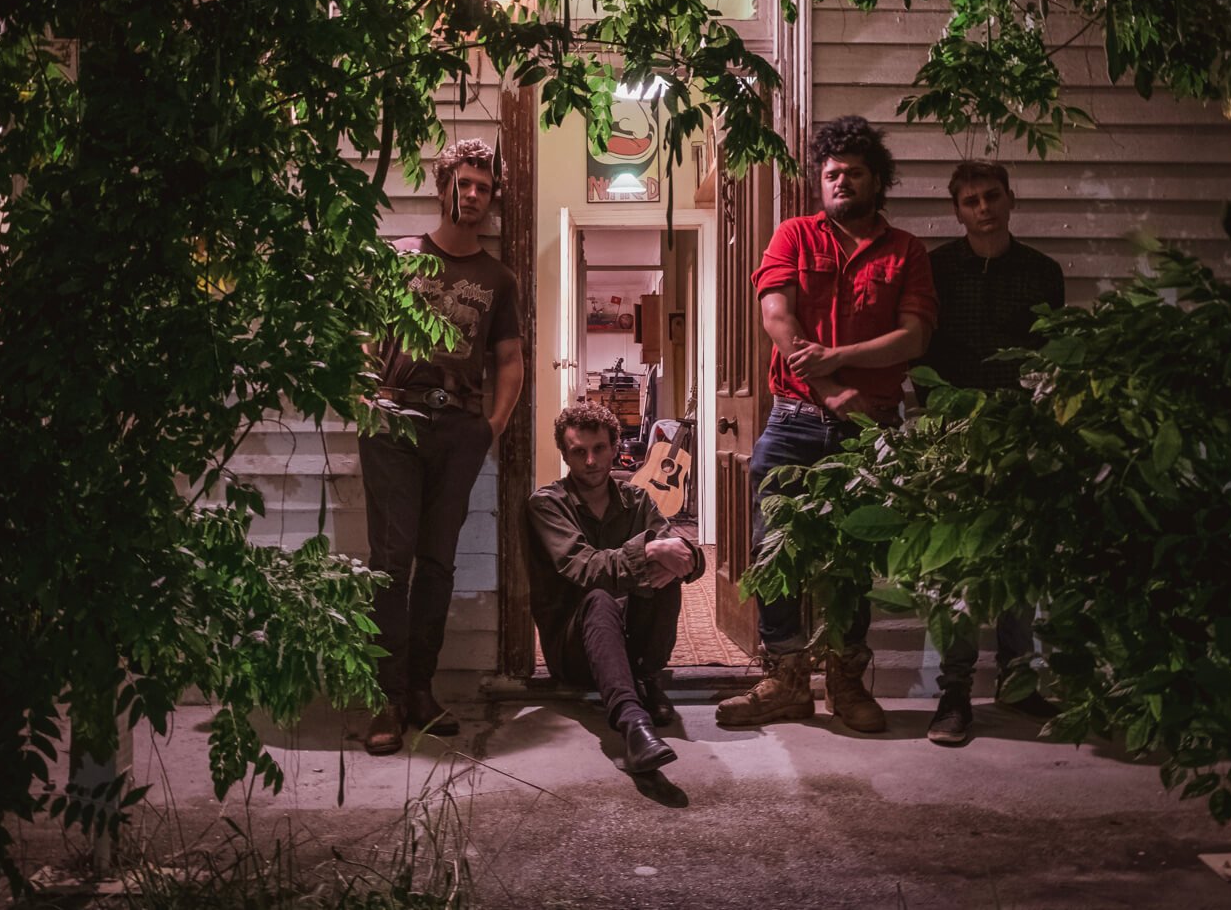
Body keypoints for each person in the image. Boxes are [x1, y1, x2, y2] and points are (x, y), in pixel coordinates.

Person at [715, 115, 937, 732]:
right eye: (832, 173)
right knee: (772, 547)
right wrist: (831, 388)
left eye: (854, 173)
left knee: (852, 555)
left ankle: (845, 680)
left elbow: (914, 336)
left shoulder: (906, 251)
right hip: (791, 420)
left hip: (871, 428)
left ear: (876, 180)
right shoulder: (793, 235)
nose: (841, 182)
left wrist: (839, 359)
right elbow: (777, 319)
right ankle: (784, 680)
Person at [357, 139, 524, 755]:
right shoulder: (401, 259)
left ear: (492, 197)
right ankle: (384, 697)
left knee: (436, 564)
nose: (473, 194)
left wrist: (492, 427)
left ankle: (420, 691)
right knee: (389, 561)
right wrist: (365, 396)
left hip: (457, 428)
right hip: (393, 422)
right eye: (464, 182)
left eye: (484, 185)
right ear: (442, 186)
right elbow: (364, 336)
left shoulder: (498, 279)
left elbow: (511, 360)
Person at [917, 160, 1064, 746]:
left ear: (1010, 199)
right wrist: (939, 419)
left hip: (1021, 433)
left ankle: (1016, 679)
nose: (983, 208)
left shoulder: (1042, 272)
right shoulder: (937, 269)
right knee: (952, 563)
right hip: (951, 436)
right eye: (971, 200)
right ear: (957, 211)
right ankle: (954, 692)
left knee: (1019, 560)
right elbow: (922, 347)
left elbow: (1049, 354)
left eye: (992, 196)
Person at [525, 403, 704, 774]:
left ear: (614, 447)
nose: (590, 461)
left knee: (664, 576)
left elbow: (690, 559)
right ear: (564, 455)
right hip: (574, 650)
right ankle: (633, 724)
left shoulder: (636, 499)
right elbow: (585, 567)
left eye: (599, 449)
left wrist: (680, 560)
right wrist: (650, 549)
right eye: (578, 452)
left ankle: (647, 678)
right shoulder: (546, 504)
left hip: (630, 640)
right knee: (599, 597)